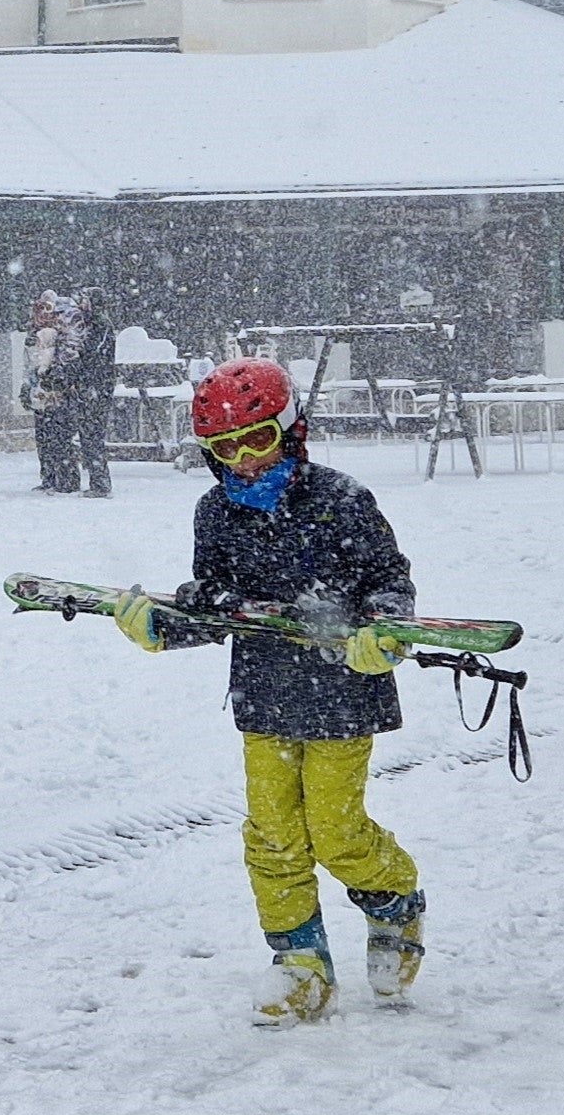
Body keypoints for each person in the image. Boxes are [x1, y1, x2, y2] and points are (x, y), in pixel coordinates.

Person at [104, 357, 425, 1027]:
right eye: (225, 448)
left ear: (291, 430)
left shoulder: (340, 500)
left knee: (335, 831)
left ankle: (395, 903)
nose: (245, 460)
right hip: (266, 696)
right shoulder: (215, 513)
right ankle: (300, 963)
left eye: (257, 440)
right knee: (272, 836)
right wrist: (166, 627)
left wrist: (384, 628)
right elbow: (223, 611)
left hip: (342, 691)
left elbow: (389, 581)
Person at [55, 290, 117, 497]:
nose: (81, 304)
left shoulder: (100, 324)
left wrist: (75, 364)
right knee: (87, 435)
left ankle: (100, 483)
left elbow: (92, 353)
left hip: (96, 386)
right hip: (89, 386)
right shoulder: (88, 323)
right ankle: (94, 481)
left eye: (84, 300)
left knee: (92, 435)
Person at [25, 293, 77, 493]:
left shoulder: (61, 334)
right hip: (43, 392)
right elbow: (33, 363)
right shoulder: (38, 334)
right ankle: (50, 477)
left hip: (55, 392)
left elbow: (61, 361)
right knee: (46, 437)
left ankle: (64, 478)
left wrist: (54, 378)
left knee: (59, 437)